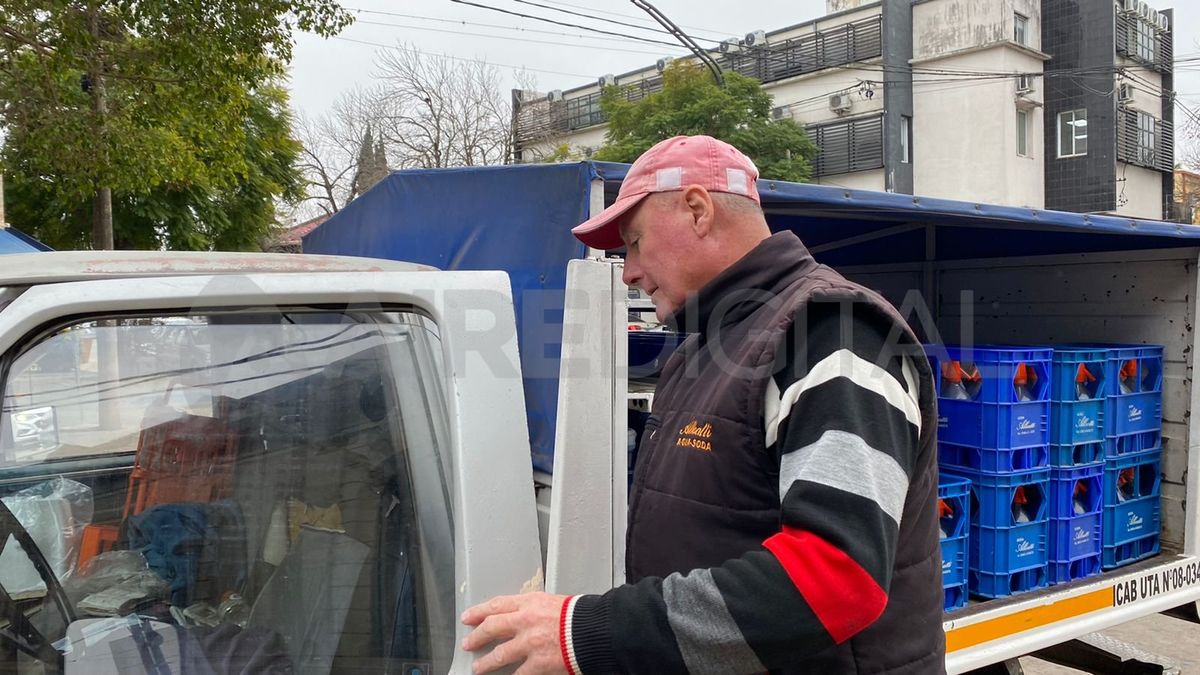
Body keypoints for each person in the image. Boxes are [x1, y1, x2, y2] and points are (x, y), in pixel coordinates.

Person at [462, 135, 945, 674]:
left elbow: (836, 577)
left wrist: (587, 632)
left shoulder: (834, 334)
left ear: (697, 209)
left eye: (636, 243)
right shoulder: (702, 346)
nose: (629, 272)